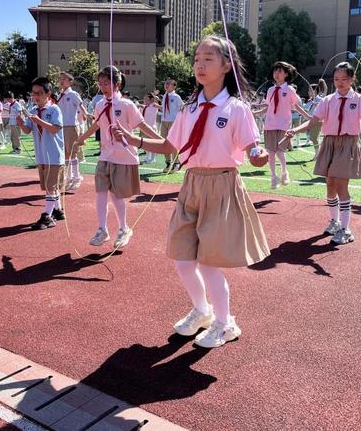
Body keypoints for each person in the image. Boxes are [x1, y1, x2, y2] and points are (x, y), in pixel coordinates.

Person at [112, 35, 270, 348]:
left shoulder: (236, 109)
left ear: (226, 65)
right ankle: (202, 311)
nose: (200, 63)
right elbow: (172, 145)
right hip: (192, 183)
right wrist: (134, 140)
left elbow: (253, 146)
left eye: (208, 58)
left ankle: (226, 324)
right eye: (197, 58)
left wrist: (257, 155)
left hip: (222, 184)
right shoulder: (190, 108)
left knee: (209, 261)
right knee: (183, 259)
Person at [286, 62, 361, 245]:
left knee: (341, 185)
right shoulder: (328, 100)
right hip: (329, 143)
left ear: (352, 79)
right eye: (337, 79)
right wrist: (295, 131)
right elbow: (314, 120)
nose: (340, 82)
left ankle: (346, 230)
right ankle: (335, 221)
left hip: (348, 144)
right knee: (330, 185)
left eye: (344, 79)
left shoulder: (359, 99)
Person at [76, 66, 161, 249]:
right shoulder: (99, 105)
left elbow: (142, 125)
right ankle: (102, 229)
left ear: (118, 83)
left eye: (106, 83)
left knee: (116, 195)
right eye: (100, 84)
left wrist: (162, 141)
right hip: (106, 155)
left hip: (123, 155)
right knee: (100, 191)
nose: (103, 87)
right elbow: (97, 125)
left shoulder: (127, 105)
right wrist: (82, 138)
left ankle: (123, 228)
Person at [18, 77, 66, 230]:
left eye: (39, 93)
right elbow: (27, 130)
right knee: (49, 185)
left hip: (54, 155)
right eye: (33, 93)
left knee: (50, 187)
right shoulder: (33, 110)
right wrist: (20, 122)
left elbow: (55, 128)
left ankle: (47, 216)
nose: (35, 96)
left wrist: (39, 121)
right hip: (41, 155)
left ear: (48, 93)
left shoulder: (54, 109)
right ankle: (57, 210)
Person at [261, 62, 312, 188]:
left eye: (279, 71)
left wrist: (309, 117)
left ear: (286, 74)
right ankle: (273, 177)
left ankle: (284, 172)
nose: (276, 74)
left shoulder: (289, 89)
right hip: (270, 124)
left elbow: (296, 105)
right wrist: (255, 112)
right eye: (275, 71)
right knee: (270, 152)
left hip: (283, 124)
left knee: (279, 151)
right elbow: (269, 106)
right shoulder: (270, 90)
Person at [57, 72, 88, 190]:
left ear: (70, 81)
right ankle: (68, 178)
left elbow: (81, 107)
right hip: (61, 127)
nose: (61, 81)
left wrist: (85, 115)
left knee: (73, 153)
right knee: (65, 154)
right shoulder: (59, 95)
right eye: (60, 79)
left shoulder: (73, 94)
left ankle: (76, 177)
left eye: (64, 79)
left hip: (71, 126)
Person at [160, 78, 184, 172]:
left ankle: (176, 163)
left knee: (173, 142)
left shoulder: (176, 97)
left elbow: (182, 108)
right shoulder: (164, 96)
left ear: (174, 86)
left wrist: (179, 121)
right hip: (164, 121)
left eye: (169, 84)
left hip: (173, 121)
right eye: (166, 83)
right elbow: (164, 108)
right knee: (164, 142)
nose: (166, 85)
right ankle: (168, 162)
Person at [140, 93, 159, 163]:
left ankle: (153, 158)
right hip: (145, 128)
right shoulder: (143, 107)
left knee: (153, 143)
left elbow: (157, 100)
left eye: (146, 99)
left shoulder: (154, 106)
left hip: (152, 127)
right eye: (144, 99)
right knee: (145, 143)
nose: (144, 100)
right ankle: (148, 156)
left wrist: (154, 95)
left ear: (151, 100)